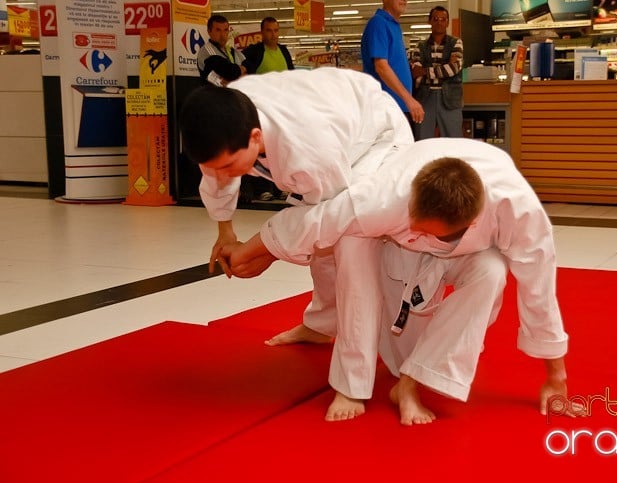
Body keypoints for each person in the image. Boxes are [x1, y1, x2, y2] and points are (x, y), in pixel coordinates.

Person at [218, 138, 574, 426]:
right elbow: (315, 223)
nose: (418, 233)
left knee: (493, 271)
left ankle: (410, 385)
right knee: (351, 241)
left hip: (467, 251)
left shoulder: (519, 213)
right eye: (415, 224)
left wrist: (555, 377)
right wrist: (251, 252)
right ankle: (352, 384)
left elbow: (539, 290)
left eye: (426, 231)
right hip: (390, 244)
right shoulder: (385, 195)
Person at [178, 67, 414, 361]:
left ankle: (393, 333)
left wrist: (264, 251)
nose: (220, 175)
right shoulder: (225, 120)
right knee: (324, 242)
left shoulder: (306, 148)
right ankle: (322, 326)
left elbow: (327, 220)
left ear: (254, 137)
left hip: (377, 137)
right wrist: (225, 230)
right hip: (334, 114)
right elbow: (215, 172)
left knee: (350, 238)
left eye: (228, 166)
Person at [240, 17, 295, 200]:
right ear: (262, 32)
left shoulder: (284, 51)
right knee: (262, 149)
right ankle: (264, 188)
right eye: (269, 30)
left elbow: (292, 76)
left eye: (276, 30)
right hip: (260, 109)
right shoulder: (254, 52)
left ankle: (280, 187)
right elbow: (242, 73)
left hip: (281, 109)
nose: (273, 34)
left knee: (280, 149)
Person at [361, 0, 425, 126]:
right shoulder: (378, 23)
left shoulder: (394, 26)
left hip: (397, 107)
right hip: (385, 109)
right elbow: (381, 67)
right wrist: (409, 99)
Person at [409, 6, 464, 139]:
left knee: (454, 141)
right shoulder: (419, 46)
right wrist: (444, 68)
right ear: (430, 21)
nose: (439, 22)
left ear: (447, 22)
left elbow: (454, 69)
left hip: (450, 99)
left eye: (443, 19)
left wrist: (425, 71)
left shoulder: (456, 43)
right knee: (422, 141)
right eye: (436, 19)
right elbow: (416, 72)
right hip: (424, 99)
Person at [197, 14, 246, 85]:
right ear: (209, 31)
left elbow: (248, 72)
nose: (222, 35)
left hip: (235, 95)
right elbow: (221, 83)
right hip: (215, 95)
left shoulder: (234, 52)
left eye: (225, 30)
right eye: (218, 30)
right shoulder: (207, 53)